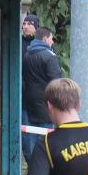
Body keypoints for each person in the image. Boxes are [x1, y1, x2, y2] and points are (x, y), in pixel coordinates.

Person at [22, 27, 62, 164]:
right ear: (45, 38)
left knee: (30, 139)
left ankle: (33, 167)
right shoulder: (49, 57)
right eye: (51, 39)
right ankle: (45, 169)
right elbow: (56, 83)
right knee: (47, 141)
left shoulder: (27, 55)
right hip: (46, 105)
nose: (52, 42)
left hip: (29, 103)